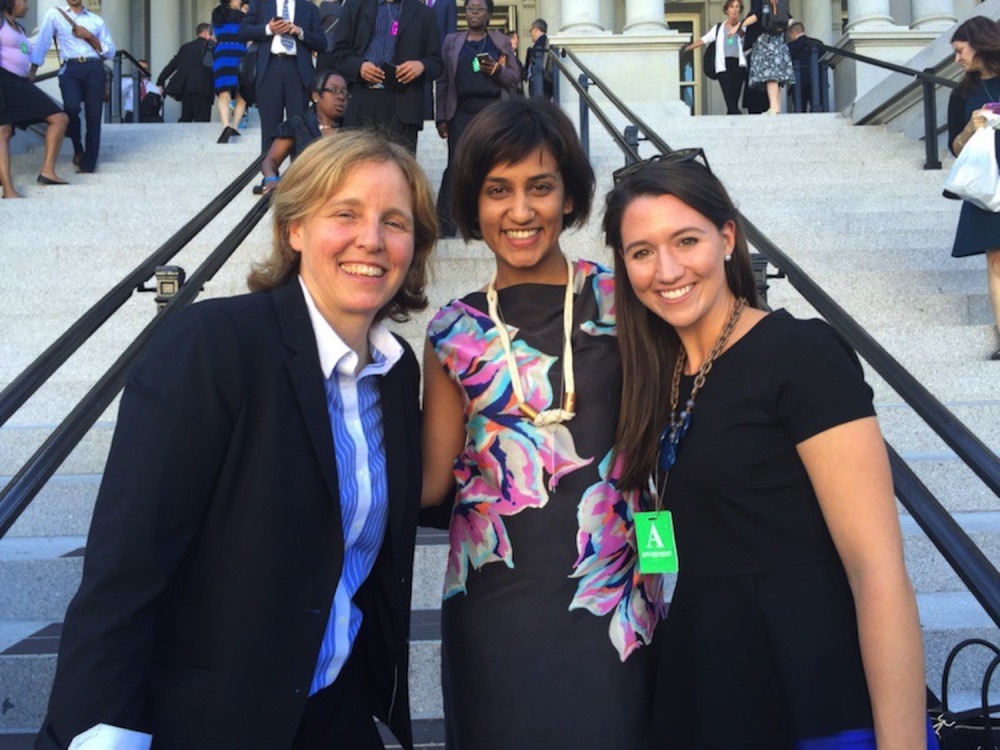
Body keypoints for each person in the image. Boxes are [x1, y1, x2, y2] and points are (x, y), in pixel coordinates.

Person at [34, 130, 436, 750]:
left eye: (395, 222)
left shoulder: (396, 371)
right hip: (205, 722)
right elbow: (125, 570)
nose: (372, 240)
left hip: (333, 714)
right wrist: (100, 733)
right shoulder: (214, 346)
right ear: (295, 230)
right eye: (345, 214)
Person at [605, 152, 938, 749]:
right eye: (642, 251)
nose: (667, 268)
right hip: (706, 687)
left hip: (813, 691)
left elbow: (878, 570)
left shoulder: (800, 354)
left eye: (686, 240)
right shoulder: (660, 376)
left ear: (728, 238)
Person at [421, 97, 664, 749]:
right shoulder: (452, 331)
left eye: (540, 187)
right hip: (491, 613)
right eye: (498, 190)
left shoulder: (627, 303)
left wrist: (660, 576)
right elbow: (430, 486)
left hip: (616, 604)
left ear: (570, 197)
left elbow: (653, 467)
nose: (521, 211)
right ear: (472, 201)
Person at [434, 0, 519, 237]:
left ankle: (481, 224)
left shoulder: (499, 41)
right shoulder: (452, 42)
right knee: (456, 166)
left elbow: (515, 77)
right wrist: (441, 116)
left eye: (480, 9)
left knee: (489, 168)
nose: (474, 13)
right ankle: (445, 225)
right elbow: (442, 80)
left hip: (492, 112)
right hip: (460, 111)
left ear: (489, 14)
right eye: (470, 8)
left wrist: (497, 70)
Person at [947, 16, 1000, 361]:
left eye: (960, 51)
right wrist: (970, 127)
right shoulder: (961, 93)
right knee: (996, 259)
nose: (957, 59)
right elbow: (952, 148)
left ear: (978, 44)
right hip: (987, 184)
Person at [331, 0, 443, 154]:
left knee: (399, 170)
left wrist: (421, 66)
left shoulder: (424, 14)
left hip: (402, 105)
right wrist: (359, 66)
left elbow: (437, 63)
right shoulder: (355, 6)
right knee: (355, 166)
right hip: (362, 98)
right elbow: (338, 53)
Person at [28, 0, 115, 174]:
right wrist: (33, 71)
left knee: (94, 115)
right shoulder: (55, 14)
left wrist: (89, 36)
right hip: (70, 68)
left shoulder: (96, 20)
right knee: (71, 107)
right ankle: (78, 148)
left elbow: (110, 52)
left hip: (93, 67)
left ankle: (88, 163)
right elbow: (43, 42)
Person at [0, 0, 69, 197]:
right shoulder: (1, 23)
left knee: (59, 118)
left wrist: (28, 73)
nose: (27, 5)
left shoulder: (19, 28)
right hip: (4, 81)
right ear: (9, 3)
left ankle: (48, 171)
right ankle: (8, 190)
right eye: (23, 1)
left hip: (19, 83)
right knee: (3, 131)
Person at [240, 0, 326, 153]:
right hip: (269, 69)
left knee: (300, 130)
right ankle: (269, 175)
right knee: (269, 130)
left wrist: (300, 32)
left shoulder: (309, 8)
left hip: (298, 71)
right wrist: (268, 28)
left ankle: (298, 175)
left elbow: (322, 43)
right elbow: (243, 31)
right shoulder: (261, 4)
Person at [260, 69, 348, 193]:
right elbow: (271, 161)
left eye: (344, 92)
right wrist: (271, 179)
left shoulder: (352, 128)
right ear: (316, 96)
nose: (341, 97)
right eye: (333, 90)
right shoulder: (297, 126)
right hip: (305, 197)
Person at [683, 0, 747, 115]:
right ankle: (739, 120)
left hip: (738, 66)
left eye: (737, 7)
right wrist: (687, 48)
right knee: (730, 100)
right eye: (732, 7)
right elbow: (704, 39)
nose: (734, 9)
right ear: (727, 10)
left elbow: (744, 35)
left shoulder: (743, 27)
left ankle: (731, 124)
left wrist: (737, 26)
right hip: (723, 66)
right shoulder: (719, 28)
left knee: (733, 101)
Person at [156, 24, 216, 123]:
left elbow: (172, 65)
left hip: (185, 88)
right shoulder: (211, 47)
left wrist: (161, 80)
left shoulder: (185, 47)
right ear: (206, 33)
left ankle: (181, 137)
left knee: (186, 117)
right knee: (202, 120)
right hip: (203, 87)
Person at [742, 0, 793, 114]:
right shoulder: (779, 1)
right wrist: (779, 28)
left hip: (766, 41)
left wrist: (740, 25)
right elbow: (790, 20)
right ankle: (777, 107)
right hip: (778, 42)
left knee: (770, 76)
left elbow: (755, 16)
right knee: (776, 78)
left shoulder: (760, 1)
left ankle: (774, 108)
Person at [211, 0, 248, 142]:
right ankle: (235, 126)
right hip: (239, 54)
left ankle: (225, 125)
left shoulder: (217, 14)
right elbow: (247, 35)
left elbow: (214, 36)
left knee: (223, 94)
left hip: (222, 55)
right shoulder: (243, 17)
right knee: (242, 96)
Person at [423, 0, 457, 121]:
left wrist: (449, 54)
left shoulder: (448, 2)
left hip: (442, 53)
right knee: (424, 88)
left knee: (441, 87)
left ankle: (442, 118)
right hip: (422, 54)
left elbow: (451, 29)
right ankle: (427, 118)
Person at [786, 21, 819, 112]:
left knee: (799, 110)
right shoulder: (818, 43)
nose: (790, 38)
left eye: (790, 35)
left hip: (799, 82)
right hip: (817, 80)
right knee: (817, 108)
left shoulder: (790, 46)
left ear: (793, 33)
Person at [523, 17, 552, 98]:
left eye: (530, 30)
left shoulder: (540, 44)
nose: (530, 33)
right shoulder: (546, 42)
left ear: (536, 29)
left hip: (540, 84)